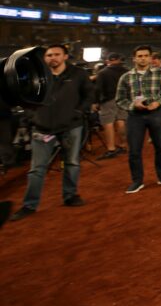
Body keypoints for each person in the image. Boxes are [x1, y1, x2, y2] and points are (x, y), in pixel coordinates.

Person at [10, 44, 92, 221]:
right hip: (42, 128)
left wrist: (78, 112)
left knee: (72, 163)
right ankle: (29, 205)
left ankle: (70, 195)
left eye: (56, 54)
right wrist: (33, 117)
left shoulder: (78, 74)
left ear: (65, 56)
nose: (52, 58)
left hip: (71, 126)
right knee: (36, 169)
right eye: (48, 55)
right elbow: (25, 99)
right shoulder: (36, 76)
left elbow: (89, 95)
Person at [116, 45, 161, 193]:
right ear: (134, 58)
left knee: (160, 146)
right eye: (140, 56)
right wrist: (133, 105)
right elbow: (120, 99)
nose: (143, 58)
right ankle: (137, 180)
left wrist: (158, 102)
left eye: (146, 55)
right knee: (134, 150)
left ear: (150, 57)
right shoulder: (126, 77)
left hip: (156, 113)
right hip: (135, 116)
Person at [94, 52, 129, 159]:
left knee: (108, 123)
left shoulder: (103, 72)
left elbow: (98, 89)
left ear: (108, 61)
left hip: (108, 100)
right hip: (123, 99)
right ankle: (124, 145)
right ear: (119, 59)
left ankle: (111, 148)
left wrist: (95, 102)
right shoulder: (127, 71)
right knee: (121, 121)